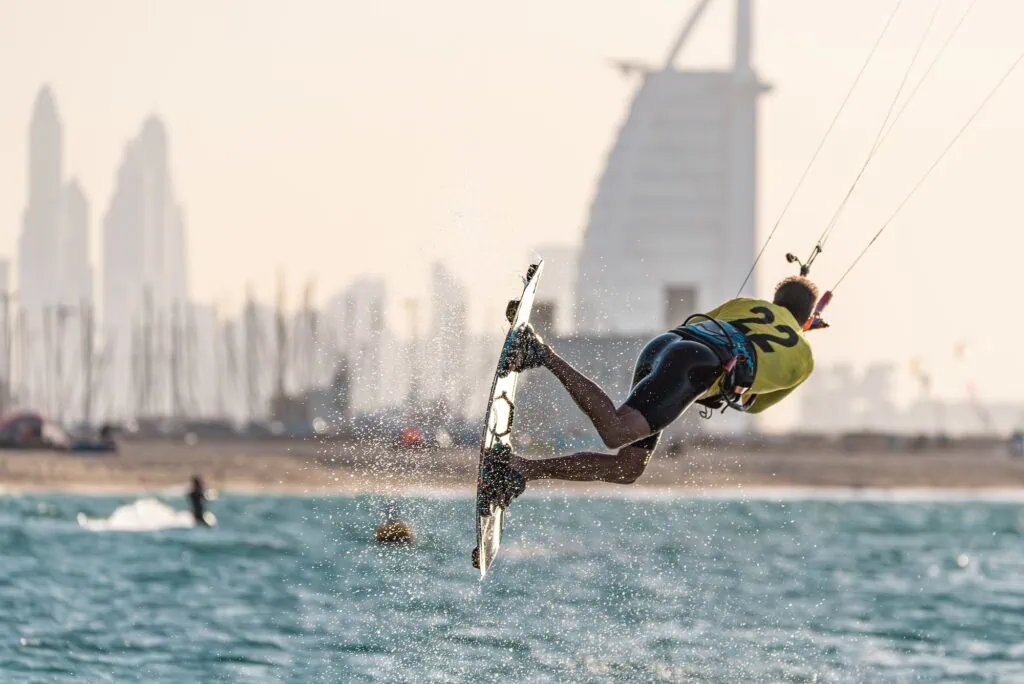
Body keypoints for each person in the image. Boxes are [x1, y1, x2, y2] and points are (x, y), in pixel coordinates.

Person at [480, 275, 825, 506]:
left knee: (628, 468)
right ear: (808, 319)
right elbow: (752, 406)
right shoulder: (804, 358)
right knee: (617, 432)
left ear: (777, 300)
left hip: (666, 345)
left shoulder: (752, 305)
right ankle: (540, 351)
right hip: (695, 366)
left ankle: (520, 468)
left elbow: (699, 323)